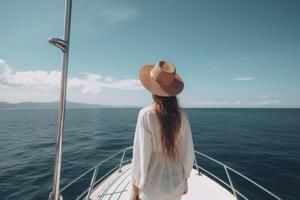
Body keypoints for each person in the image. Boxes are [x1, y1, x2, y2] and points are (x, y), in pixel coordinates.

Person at [129, 61, 195, 200]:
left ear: (152, 90)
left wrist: (135, 187)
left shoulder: (146, 114)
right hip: (175, 186)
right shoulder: (182, 116)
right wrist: (185, 180)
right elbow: (187, 152)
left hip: (151, 189)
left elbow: (141, 154)